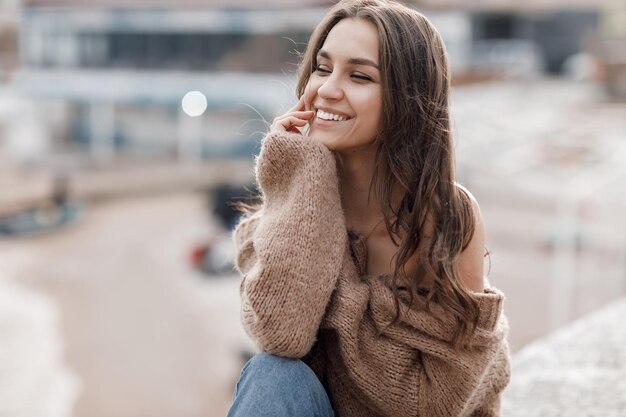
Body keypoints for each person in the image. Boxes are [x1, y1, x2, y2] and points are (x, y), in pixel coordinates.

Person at [227, 0, 511, 416]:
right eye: (322, 68)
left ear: (406, 98)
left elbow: (433, 405)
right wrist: (303, 176)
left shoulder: (447, 217)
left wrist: (332, 292)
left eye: (359, 75)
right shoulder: (293, 205)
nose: (327, 89)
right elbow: (280, 333)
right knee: (272, 374)